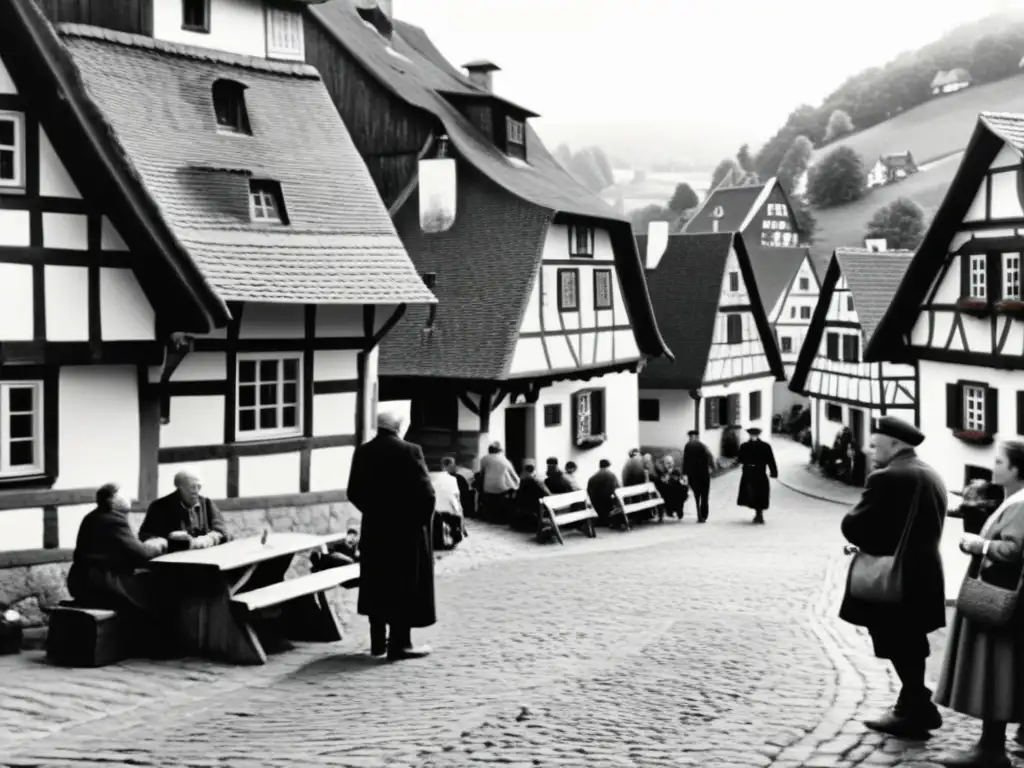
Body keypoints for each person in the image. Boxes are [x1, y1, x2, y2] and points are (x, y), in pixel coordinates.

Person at [839, 416, 947, 740]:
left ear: (896, 445)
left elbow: (854, 525)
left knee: (899, 641)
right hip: (925, 571)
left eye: (875, 445)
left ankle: (915, 707)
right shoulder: (929, 473)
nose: (870, 450)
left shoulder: (887, 477)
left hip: (895, 575)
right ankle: (911, 704)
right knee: (911, 639)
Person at [931, 440, 1024, 766]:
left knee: (996, 669)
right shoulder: (1013, 501)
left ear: (1015, 469)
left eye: (1000, 461)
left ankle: (991, 750)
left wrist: (979, 546)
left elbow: (1014, 550)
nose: (993, 465)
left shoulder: (1020, 505)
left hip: (1000, 598)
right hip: (1005, 596)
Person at [347, 411, 436, 661]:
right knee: (403, 586)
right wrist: (418, 524)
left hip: (375, 530)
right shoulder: (410, 451)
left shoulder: (363, 451)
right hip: (404, 533)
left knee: (377, 584)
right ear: (398, 427)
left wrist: (375, 512)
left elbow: (353, 491)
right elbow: (427, 494)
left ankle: (377, 643)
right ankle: (400, 644)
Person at [66, 483, 175, 656]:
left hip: (83, 578)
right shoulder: (113, 520)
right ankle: (158, 646)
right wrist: (159, 544)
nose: (128, 498)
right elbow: (140, 554)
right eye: (123, 495)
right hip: (100, 580)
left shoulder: (94, 516)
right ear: (112, 500)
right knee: (156, 591)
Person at [139, 470, 230, 550]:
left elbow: (222, 531)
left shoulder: (207, 504)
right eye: (192, 486)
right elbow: (145, 535)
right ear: (180, 486)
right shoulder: (158, 506)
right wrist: (162, 541)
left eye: (199, 486)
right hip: (171, 560)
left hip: (203, 558)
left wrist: (209, 539)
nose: (196, 491)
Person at [736, 427, 778, 524]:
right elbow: (740, 459)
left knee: (761, 493)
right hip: (748, 473)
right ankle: (757, 513)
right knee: (750, 493)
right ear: (749, 436)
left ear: (758, 435)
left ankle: (759, 514)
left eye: (755, 435)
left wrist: (773, 472)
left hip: (760, 473)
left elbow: (770, 459)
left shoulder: (765, 446)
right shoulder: (744, 446)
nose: (753, 437)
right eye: (751, 435)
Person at [479, 441, 519, 522]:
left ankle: (489, 516)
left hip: (488, 488)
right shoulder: (504, 460)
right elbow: (515, 476)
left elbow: (482, 474)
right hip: (502, 488)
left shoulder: (484, 458)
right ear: (500, 451)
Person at [430, 458, 464, 550]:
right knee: (458, 510)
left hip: (434, 508)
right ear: (449, 466)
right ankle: (459, 534)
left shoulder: (431, 477)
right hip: (449, 510)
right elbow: (457, 496)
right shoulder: (452, 479)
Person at [682, 430, 715, 523]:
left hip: (694, 476)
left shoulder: (687, 446)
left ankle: (699, 515)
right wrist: (712, 468)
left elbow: (685, 461)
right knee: (704, 495)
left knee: (697, 495)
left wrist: (685, 473)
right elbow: (710, 458)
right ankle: (703, 515)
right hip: (703, 474)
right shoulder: (703, 447)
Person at [512, 460, 551, 533]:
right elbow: (548, 494)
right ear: (534, 471)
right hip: (537, 505)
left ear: (525, 472)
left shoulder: (523, 481)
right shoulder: (537, 481)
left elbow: (518, 494)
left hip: (527, 505)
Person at [587, 459, 621, 525]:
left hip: (596, 504)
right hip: (607, 502)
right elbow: (618, 489)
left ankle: (603, 519)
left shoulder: (592, 477)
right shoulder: (611, 475)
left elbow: (588, 491)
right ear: (608, 466)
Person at [654, 454, 687, 521]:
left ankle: (677, 511)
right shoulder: (662, 473)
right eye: (668, 463)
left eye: (671, 462)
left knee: (681, 490)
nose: (670, 464)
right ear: (664, 464)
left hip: (677, 494)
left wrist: (682, 482)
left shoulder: (677, 472)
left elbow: (682, 481)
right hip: (667, 495)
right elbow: (660, 484)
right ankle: (672, 511)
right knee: (673, 491)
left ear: (673, 463)